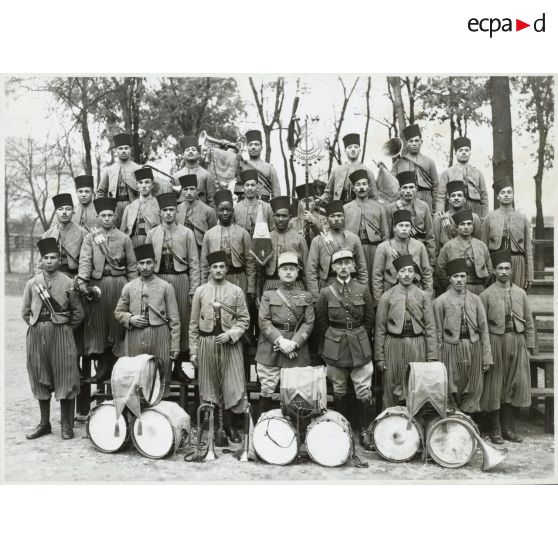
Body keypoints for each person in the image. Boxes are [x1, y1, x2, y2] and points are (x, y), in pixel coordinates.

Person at [22, 238, 84, 440]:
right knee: (40, 376)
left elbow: (78, 313)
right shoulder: (33, 283)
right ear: (41, 260)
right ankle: (44, 423)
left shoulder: (68, 282)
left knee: (66, 376)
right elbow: (25, 312)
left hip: (62, 333)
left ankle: (67, 425)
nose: (49, 261)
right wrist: (39, 325)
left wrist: (65, 329)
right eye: (46, 258)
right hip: (37, 333)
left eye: (53, 258)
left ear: (59, 260)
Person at [315, 249, 375, 450]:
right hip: (335, 344)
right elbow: (322, 321)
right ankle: (342, 429)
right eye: (339, 264)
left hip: (359, 343)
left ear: (353, 266)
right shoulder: (326, 292)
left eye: (347, 263)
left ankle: (364, 431)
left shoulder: (362, 289)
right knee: (338, 388)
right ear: (333, 267)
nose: (343, 267)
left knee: (363, 388)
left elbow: (369, 318)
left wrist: (358, 335)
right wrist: (333, 339)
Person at [189, 250, 250, 443]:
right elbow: (193, 324)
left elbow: (244, 320)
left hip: (230, 345)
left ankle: (230, 426)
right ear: (209, 269)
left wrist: (232, 334)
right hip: (207, 343)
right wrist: (193, 350)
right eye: (214, 267)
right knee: (209, 385)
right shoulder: (200, 291)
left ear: (227, 269)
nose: (218, 270)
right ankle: (215, 428)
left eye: (221, 266)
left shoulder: (236, 291)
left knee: (232, 384)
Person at [77, 198, 138, 384]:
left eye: (110, 215)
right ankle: (103, 367)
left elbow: (132, 266)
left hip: (119, 284)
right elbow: (85, 261)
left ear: (115, 216)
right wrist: (83, 282)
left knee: (117, 324)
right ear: (97, 217)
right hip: (98, 285)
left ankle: (118, 367)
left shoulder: (124, 238)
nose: (106, 218)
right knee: (99, 326)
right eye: (103, 215)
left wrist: (134, 289)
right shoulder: (90, 238)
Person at [479, 250, 535, 444]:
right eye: (500, 268)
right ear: (494, 271)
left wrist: (529, 345)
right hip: (496, 341)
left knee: (513, 385)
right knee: (495, 385)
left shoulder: (520, 293)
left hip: (517, 341)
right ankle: (495, 430)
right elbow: (482, 326)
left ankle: (508, 429)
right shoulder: (485, 295)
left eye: (507, 268)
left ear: (512, 271)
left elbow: (528, 321)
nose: (504, 272)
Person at [146, 192, 200, 378]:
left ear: (177, 212)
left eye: (171, 210)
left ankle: (177, 366)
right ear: (160, 213)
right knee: (161, 320)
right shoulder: (152, 234)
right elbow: (146, 262)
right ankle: (159, 366)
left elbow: (194, 263)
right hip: (158, 281)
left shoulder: (187, 233)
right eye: (164, 210)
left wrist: (194, 288)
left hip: (180, 281)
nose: (168, 213)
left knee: (181, 322)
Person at [374, 254, 438, 409]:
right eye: (403, 271)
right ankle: (389, 422)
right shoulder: (386, 297)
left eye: (410, 271)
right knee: (391, 386)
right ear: (397, 274)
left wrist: (432, 356)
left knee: (416, 385)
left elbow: (430, 327)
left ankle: (416, 425)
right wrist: (379, 357)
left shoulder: (423, 296)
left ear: (414, 273)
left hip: (417, 345)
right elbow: (380, 329)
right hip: (393, 345)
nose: (407, 274)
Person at [255, 252, 314, 419]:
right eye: (284, 269)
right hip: (271, 347)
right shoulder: (268, 295)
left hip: (297, 348)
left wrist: (293, 344)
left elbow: (309, 323)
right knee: (266, 389)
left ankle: (295, 430)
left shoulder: (306, 296)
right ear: (279, 272)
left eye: (292, 269)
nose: (288, 272)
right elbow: (264, 322)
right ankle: (262, 427)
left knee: (297, 391)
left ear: (297, 273)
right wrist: (281, 342)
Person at [114, 243, 181, 390]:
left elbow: (174, 320)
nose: (145, 267)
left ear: (155, 264)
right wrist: (130, 319)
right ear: (137, 265)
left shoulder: (166, 287)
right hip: (135, 336)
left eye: (149, 262)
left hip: (160, 336)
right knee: (136, 377)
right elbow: (118, 312)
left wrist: (175, 345)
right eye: (141, 263)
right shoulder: (129, 287)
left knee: (160, 375)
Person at [433, 258, 492, 415]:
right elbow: (437, 332)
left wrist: (486, 357)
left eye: (462, 276)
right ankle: (452, 420)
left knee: (473, 386)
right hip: (450, 348)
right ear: (450, 279)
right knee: (451, 386)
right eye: (455, 276)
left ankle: (468, 422)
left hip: (473, 347)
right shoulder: (440, 301)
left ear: (467, 278)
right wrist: (437, 358)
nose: (459, 280)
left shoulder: (476, 300)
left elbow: (484, 329)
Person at [200, 189, 256, 306]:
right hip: (214, 280)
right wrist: (203, 285)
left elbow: (250, 263)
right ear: (217, 211)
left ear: (233, 211)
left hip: (238, 278)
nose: (225, 213)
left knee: (238, 311)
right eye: (221, 210)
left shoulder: (243, 233)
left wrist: (250, 287)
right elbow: (204, 265)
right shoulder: (209, 234)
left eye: (228, 210)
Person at [306, 200, 368, 302]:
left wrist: (363, 291)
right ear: (327, 219)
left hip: (351, 282)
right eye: (333, 216)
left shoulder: (354, 238)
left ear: (344, 217)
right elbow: (311, 272)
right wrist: (316, 298)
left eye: (339, 216)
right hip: (328, 284)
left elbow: (362, 268)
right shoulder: (318, 240)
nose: (336, 219)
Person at [482, 176, 533, 290]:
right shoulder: (489, 218)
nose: (506, 195)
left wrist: (530, 276)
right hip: (495, 263)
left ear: (513, 196)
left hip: (517, 262)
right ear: (497, 197)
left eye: (509, 192)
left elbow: (528, 250)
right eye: (503, 192)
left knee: (516, 296)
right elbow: (483, 248)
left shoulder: (522, 218)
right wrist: (487, 270)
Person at [344, 169, 389, 295]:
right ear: (353, 189)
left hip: (374, 249)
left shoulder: (379, 207)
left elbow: (385, 233)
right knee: (356, 280)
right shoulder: (346, 208)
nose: (362, 187)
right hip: (353, 250)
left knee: (374, 279)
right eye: (358, 185)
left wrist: (384, 252)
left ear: (369, 187)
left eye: (364, 184)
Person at [371, 209, 433, 302]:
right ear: (394, 228)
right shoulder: (383, 247)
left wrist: (428, 296)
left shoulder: (419, 246)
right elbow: (377, 276)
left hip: (415, 289)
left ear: (411, 228)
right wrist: (379, 300)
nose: (404, 228)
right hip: (391, 290)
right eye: (401, 225)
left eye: (407, 226)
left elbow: (427, 272)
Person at [385, 171, 436, 266]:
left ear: (416, 189)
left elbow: (430, 236)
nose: (408, 191)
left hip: (419, 252)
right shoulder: (391, 208)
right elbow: (387, 235)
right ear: (400, 190)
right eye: (404, 187)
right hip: (398, 253)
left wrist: (432, 263)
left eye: (411, 187)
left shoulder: (424, 206)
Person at [436, 208, 491, 295]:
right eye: (462, 224)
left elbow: (489, 269)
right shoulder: (448, 246)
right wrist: (450, 285)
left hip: (479, 287)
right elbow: (440, 269)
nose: (466, 227)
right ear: (456, 228)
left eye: (469, 224)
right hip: (455, 288)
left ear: (473, 227)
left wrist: (482, 286)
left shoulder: (481, 245)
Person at [317, 133, 379, 206]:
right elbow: (328, 194)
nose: (353, 149)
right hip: (340, 210)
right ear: (345, 151)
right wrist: (318, 201)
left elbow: (374, 197)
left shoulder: (367, 171)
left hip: (361, 210)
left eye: (356, 147)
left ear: (359, 150)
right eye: (349, 147)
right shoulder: (337, 171)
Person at [96, 132, 143, 228]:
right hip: (114, 208)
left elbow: (145, 189)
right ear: (115, 151)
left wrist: (140, 205)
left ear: (130, 150)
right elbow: (100, 192)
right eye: (120, 148)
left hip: (133, 206)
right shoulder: (109, 170)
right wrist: (105, 209)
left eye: (126, 148)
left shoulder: (138, 168)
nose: (123, 151)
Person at [436, 137, 489, 220]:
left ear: (470, 152)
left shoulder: (478, 174)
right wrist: (440, 211)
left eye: (466, 150)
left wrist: (485, 216)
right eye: (460, 150)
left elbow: (484, 196)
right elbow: (441, 195)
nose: (464, 153)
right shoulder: (447, 173)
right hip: (453, 209)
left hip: (474, 209)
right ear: (455, 153)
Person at [263, 196, 309, 291]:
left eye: (284, 216)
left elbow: (306, 270)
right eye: (277, 215)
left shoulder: (299, 239)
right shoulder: (266, 238)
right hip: (271, 285)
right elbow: (259, 271)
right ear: (273, 217)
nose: (280, 219)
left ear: (290, 217)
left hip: (296, 285)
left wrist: (309, 292)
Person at [391, 124, 439, 212]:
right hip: (405, 198)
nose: (414, 144)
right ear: (406, 144)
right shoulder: (398, 163)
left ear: (421, 142)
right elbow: (392, 186)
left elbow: (435, 187)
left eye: (417, 141)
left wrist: (435, 208)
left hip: (425, 197)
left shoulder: (429, 162)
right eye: (411, 141)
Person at [41, 193, 87, 279]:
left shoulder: (83, 233)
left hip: (75, 277)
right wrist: (40, 280)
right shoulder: (48, 234)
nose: (64, 212)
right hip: (52, 277)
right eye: (60, 209)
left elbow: (87, 261)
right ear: (56, 212)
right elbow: (40, 263)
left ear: (73, 212)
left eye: (68, 209)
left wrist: (82, 280)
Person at [432, 181, 482, 257]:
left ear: (464, 199)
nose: (456, 198)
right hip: (447, 257)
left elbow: (477, 241)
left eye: (459, 195)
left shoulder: (474, 218)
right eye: (453, 196)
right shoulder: (440, 218)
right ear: (449, 200)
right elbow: (435, 243)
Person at [175, 174, 218, 256]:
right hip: (182, 251)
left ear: (197, 190)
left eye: (192, 189)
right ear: (181, 191)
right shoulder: (177, 210)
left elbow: (214, 236)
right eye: (185, 189)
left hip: (201, 252)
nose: (189, 193)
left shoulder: (208, 211)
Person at [120, 167, 161, 247]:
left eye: (147, 182)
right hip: (132, 244)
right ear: (137, 185)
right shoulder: (129, 207)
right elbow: (123, 232)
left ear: (152, 184)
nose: (144, 186)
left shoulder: (159, 205)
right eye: (140, 182)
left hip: (152, 243)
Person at [173, 135, 216, 208]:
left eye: (193, 149)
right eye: (187, 150)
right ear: (183, 155)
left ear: (199, 154)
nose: (190, 151)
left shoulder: (207, 175)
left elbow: (212, 201)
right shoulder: (176, 176)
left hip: (201, 214)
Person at [234, 168, 274, 236]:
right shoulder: (236, 208)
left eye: (253, 185)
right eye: (247, 185)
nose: (250, 188)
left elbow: (273, 231)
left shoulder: (267, 208)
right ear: (243, 187)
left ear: (257, 186)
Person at [244, 129, 281, 200]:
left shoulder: (270, 168)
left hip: (264, 206)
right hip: (245, 207)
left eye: (256, 144)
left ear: (261, 147)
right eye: (250, 144)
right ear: (247, 147)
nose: (253, 147)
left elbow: (276, 193)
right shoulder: (242, 166)